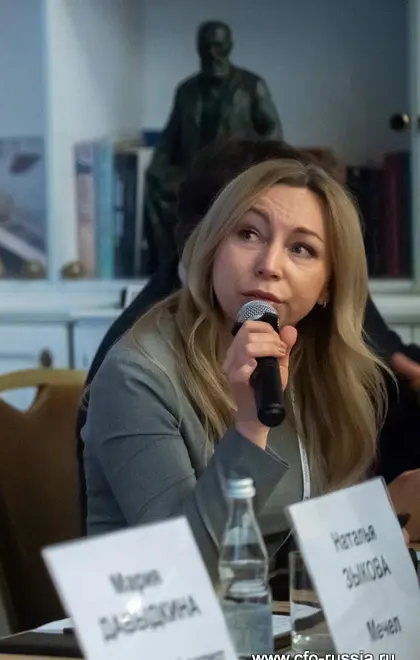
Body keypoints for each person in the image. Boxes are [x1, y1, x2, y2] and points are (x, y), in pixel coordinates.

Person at [77, 138, 420, 538]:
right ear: (212, 247)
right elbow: (182, 561)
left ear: (328, 286)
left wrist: (375, 527)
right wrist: (251, 428)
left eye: (301, 249)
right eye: (249, 233)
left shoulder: (317, 361)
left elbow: (302, 540)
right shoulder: (136, 374)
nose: (269, 265)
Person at [142, 20, 282, 270]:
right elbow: (169, 137)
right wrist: (156, 167)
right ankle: (168, 268)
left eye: (218, 46)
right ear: (198, 48)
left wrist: (253, 167)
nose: (212, 53)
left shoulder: (251, 86)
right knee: (156, 189)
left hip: (236, 173)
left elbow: (274, 134)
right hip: (193, 173)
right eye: (206, 47)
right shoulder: (186, 90)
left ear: (230, 46)